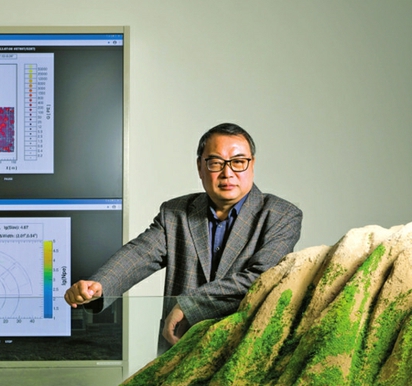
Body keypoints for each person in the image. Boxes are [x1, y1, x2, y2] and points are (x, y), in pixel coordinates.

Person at [64, 123, 302, 353]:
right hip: (179, 345)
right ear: (200, 167)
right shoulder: (175, 212)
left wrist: (190, 305)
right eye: (216, 163)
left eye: (238, 162)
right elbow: (140, 254)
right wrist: (99, 285)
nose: (227, 173)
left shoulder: (281, 215)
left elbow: (262, 277)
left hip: (243, 349)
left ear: (252, 165)